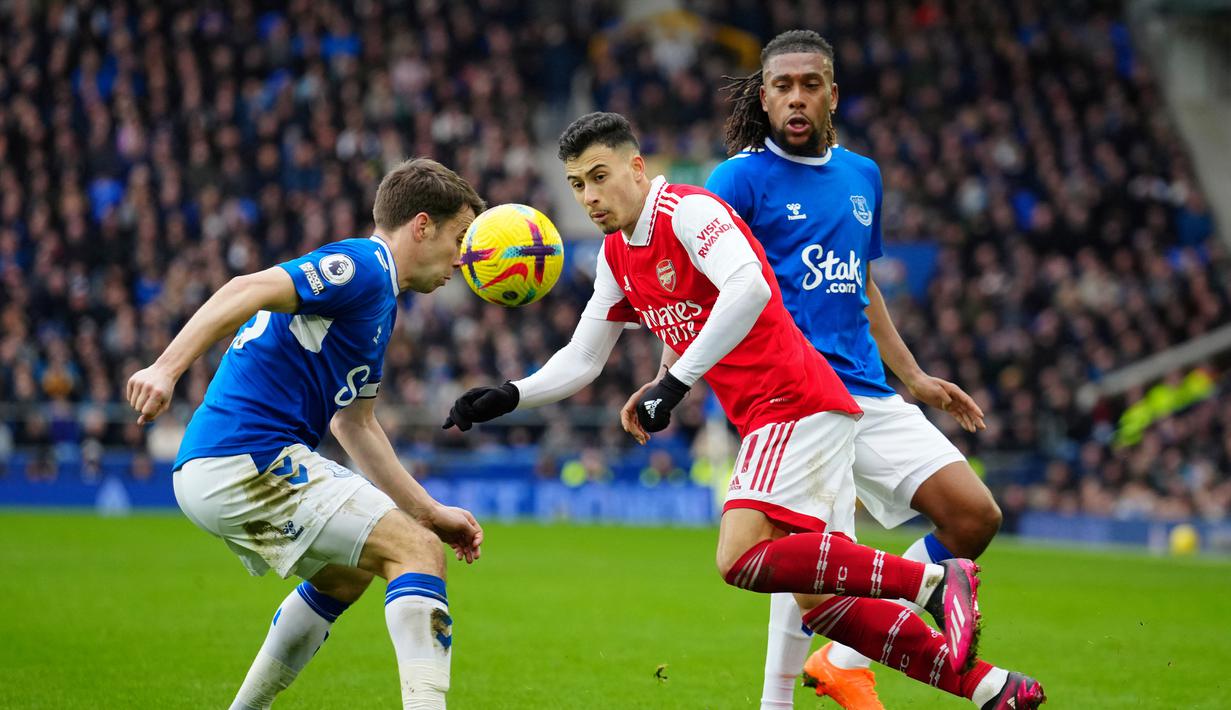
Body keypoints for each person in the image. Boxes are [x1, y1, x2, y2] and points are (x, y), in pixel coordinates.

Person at [444, 112, 1042, 710]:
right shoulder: (616, 256)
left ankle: (934, 581)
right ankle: (993, 689)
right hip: (784, 413)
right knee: (828, 607)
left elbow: (750, 286)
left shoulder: (689, 211)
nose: (590, 196)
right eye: (577, 185)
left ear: (635, 166)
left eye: (599, 176)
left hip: (793, 401)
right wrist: (510, 394)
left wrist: (673, 384)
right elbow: (583, 356)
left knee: (738, 557)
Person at [699, 30, 1010, 709]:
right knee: (807, 563)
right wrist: (677, 371)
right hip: (794, 403)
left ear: (832, 93)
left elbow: (860, 288)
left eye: (809, 83)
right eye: (781, 85)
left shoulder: (861, 175)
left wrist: (916, 379)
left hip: (867, 390)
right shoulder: (737, 180)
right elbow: (706, 284)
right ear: (764, 95)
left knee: (972, 516)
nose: (796, 97)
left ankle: (840, 661)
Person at [126, 158, 486, 710]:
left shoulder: (381, 302)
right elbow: (248, 286)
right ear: (421, 226)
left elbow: (355, 423)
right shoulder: (364, 265)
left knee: (347, 575)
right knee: (416, 553)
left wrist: (429, 510)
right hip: (248, 455)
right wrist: (166, 368)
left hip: (218, 464)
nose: (462, 260)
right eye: (459, 238)